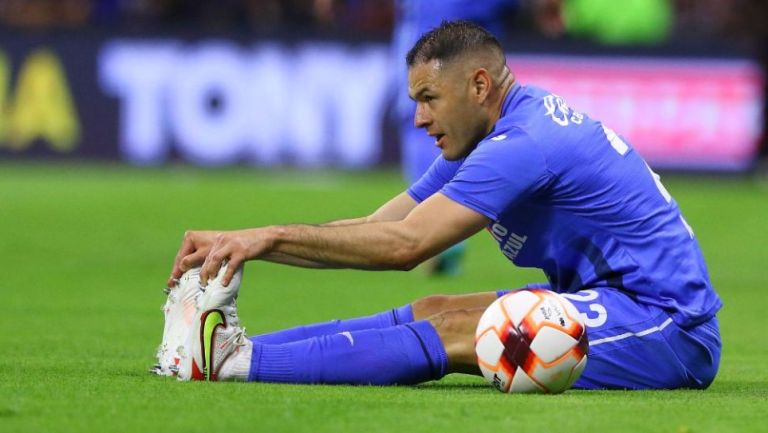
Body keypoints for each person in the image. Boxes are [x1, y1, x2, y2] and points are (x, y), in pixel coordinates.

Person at [163, 21, 722, 389]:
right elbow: (384, 224)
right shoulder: (488, 133)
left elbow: (405, 246)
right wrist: (244, 241)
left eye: (429, 99)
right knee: (436, 307)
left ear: (479, 86)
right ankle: (222, 352)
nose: (420, 119)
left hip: (668, 325)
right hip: (603, 298)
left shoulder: (522, 145)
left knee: (463, 331)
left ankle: (239, 366)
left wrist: (266, 240)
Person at [392, 0, 520, 275]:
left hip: (431, 33)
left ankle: (437, 232)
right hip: (476, 37)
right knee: (472, 127)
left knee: (423, 123)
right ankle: (445, 229)